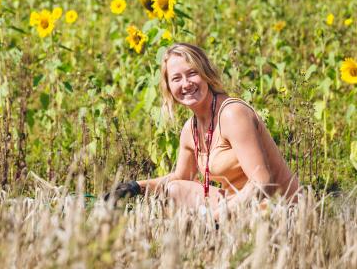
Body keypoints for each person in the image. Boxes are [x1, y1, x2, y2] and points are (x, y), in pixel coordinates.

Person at [105, 43, 299, 218]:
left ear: (206, 74)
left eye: (192, 73)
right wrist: (135, 187)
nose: (186, 84)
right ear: (169, 87)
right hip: (237, 207)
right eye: (176, 78)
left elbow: (262, 183)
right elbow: (180, 178)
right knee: (173, 190)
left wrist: (214, 218)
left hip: (277, 209)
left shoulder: (232, 113)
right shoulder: (190, 129)